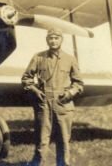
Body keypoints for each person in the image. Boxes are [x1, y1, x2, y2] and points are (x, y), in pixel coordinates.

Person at [21, 28, 84, 166]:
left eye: (56, 38)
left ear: (61, 40)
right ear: (47, 40)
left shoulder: (70, 59)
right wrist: (35, 91)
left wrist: (69, 94)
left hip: (63, 103)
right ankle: (39, 164)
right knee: (42, 139)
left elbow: (79, 84)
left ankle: (63, 164)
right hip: (43, 102)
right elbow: (26, 79)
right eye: (50, 38)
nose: (53, 41)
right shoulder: (38, 57)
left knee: (63, 139)